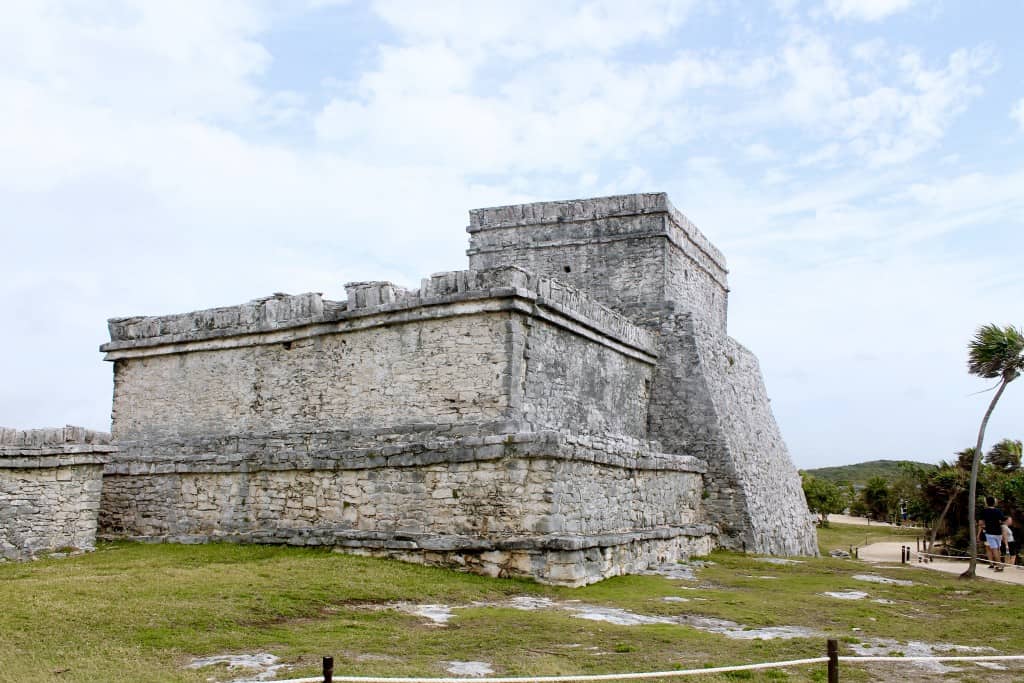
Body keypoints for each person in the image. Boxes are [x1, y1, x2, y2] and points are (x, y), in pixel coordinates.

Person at [978, 496, 1007, 571]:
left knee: (994, 549)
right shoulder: (998, 511)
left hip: (990, 532)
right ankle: (999, 564)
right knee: (997, 548)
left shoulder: (984, 511)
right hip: (998, 532)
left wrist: (985, 525)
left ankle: (999, 565)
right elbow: (1003, 520)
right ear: (994, 502)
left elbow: (980, 522)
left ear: (986, 502)